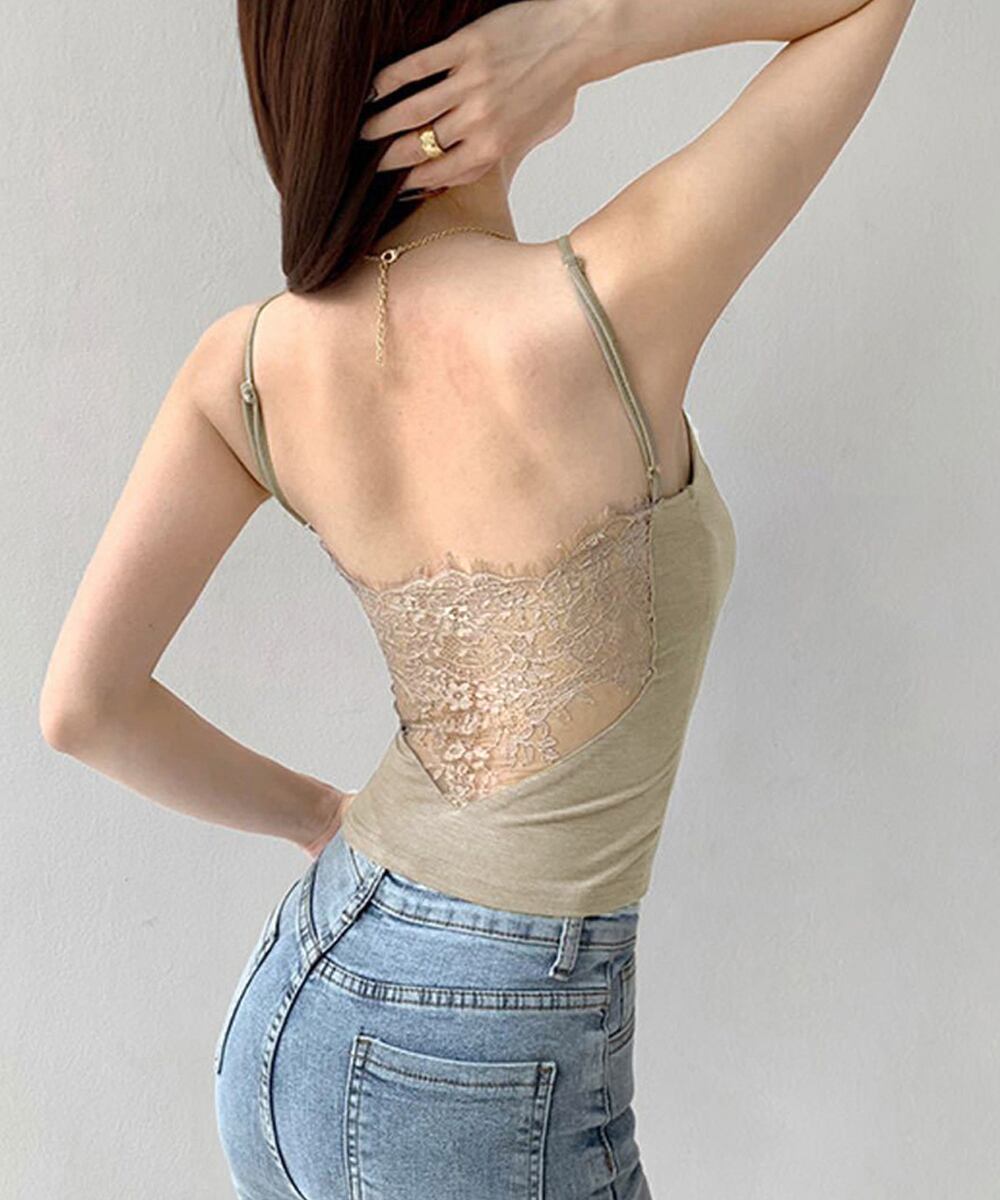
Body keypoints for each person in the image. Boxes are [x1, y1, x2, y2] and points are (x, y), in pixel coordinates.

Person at [39, 0, 917, 1195]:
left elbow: (84, 708)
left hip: (295, 1004)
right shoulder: (608, 302)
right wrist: (592, 35)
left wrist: (315, 816)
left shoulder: (246, 365)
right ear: (464, 42)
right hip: (486, 1051)